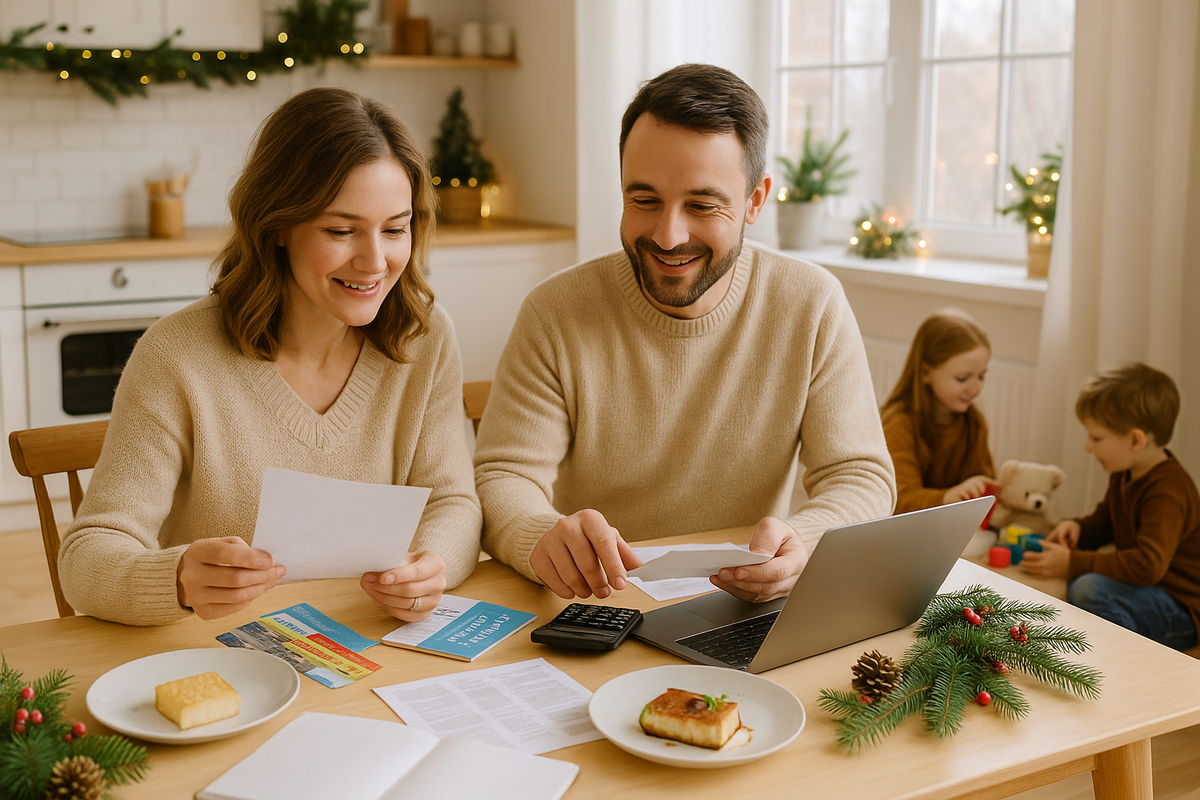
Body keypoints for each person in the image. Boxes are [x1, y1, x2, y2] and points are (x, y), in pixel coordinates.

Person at [473, 63, 896, 605]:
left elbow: (860, 476)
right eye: (644, 200)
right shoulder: (554, 312)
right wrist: (540, 535)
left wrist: (806, 541)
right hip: (600, 602)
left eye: (701, 205)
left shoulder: (811, 304)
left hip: (739, 603)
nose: (669, 236)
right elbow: (503, 477)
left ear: (755, 201)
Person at [58, 87, 482, 626]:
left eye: (395, 229)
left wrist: (431, 565)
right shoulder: (177, 356)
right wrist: (177, 580)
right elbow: (88, 554)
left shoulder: (425, 337)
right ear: (277, 224)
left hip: (372, 643)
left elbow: (453, 504)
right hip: (219, 654)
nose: (375, 261)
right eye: (341, 230)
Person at [1022, 363, 1199, 651]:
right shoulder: (1126, 471)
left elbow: (1147, 565)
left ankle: (1126, 653)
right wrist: (1078, 528)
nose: (1087, 446)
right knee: (1080, 584)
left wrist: (1073, 562)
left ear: (1135, 440)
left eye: (1096, 438)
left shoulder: (1168, 492)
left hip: (1180, 608)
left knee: (1087, 587)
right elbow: (1107, 521)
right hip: (1147, 591)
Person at [880, 309, 996, 514]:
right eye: (962, 378)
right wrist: (947, 497)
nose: (975, 389)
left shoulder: (973, 423)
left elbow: (986, 491)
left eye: (981, 376)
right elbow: (898, 501)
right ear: (926, 373)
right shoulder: (898, 424)